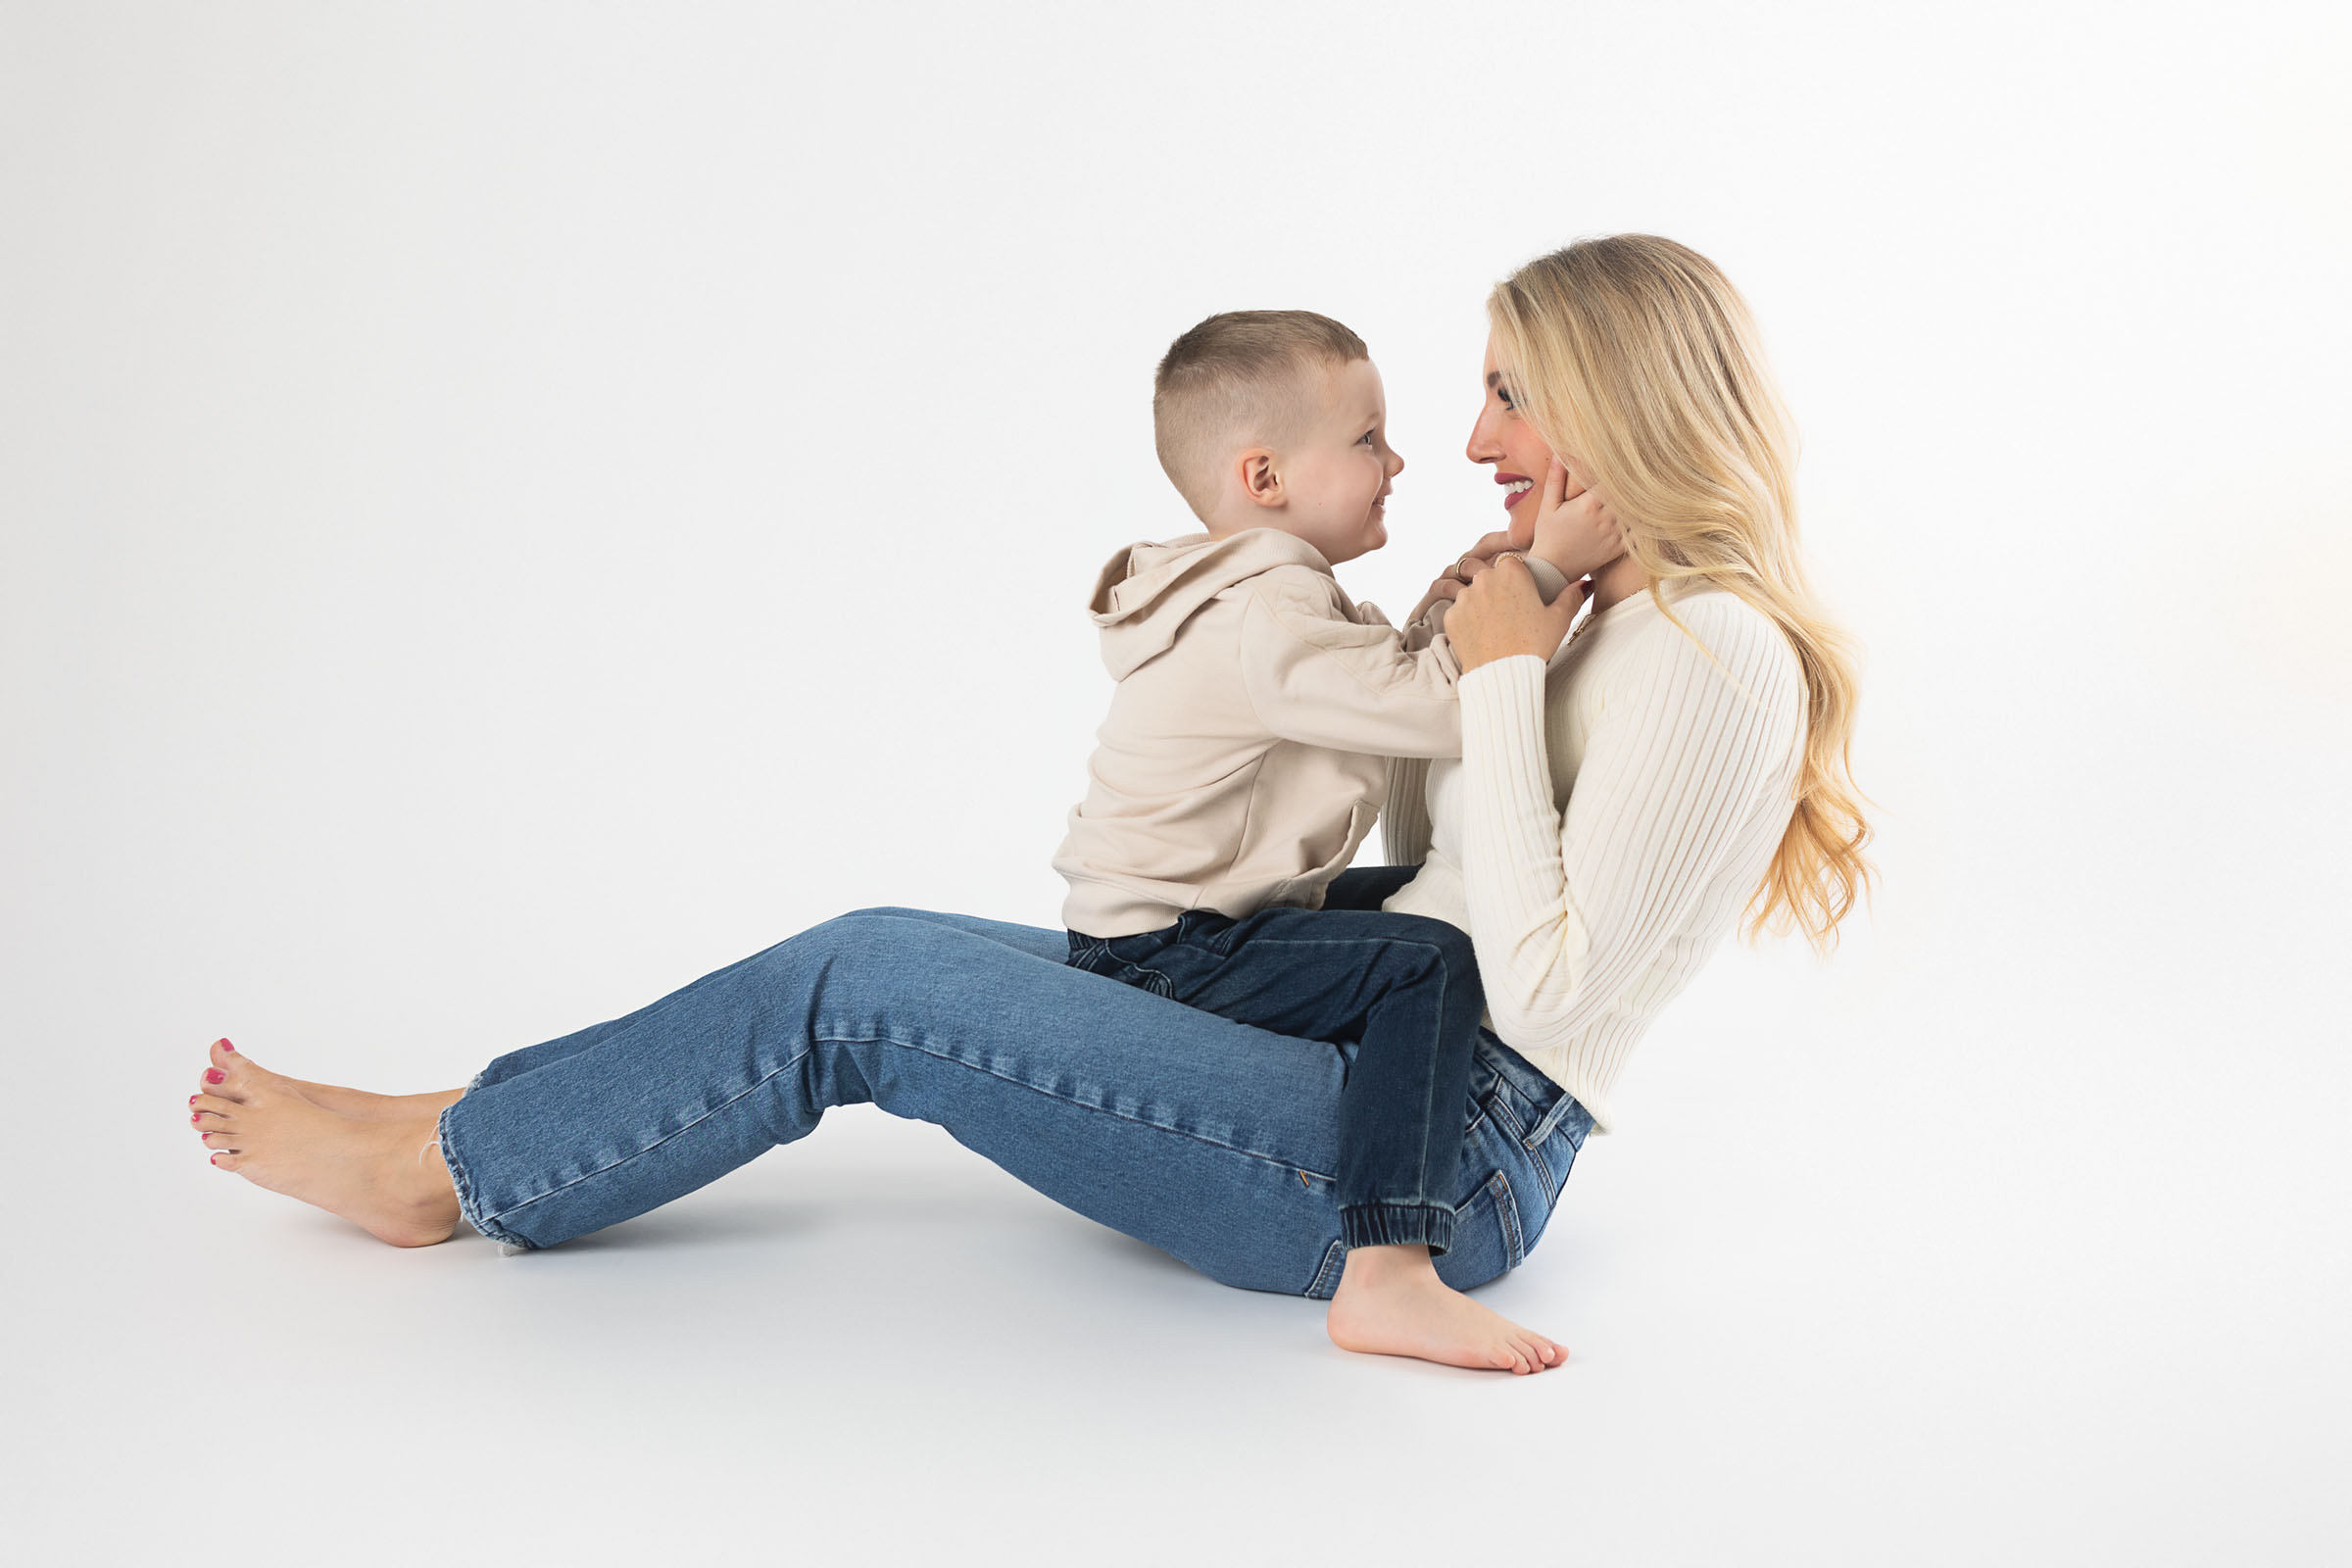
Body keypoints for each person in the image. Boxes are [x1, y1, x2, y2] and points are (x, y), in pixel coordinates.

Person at [184, 234, 1873, 1376]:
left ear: (1615, 404)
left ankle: (446, 1173)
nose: (1474, 435)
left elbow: (1549, 993)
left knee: (870, 977)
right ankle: (465, 1123)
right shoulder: (1612, 622)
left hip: (1448, 1160)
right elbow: (1439, 871)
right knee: (872, 952)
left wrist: (1501, 679)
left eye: (1510, 392)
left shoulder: (1721, 655)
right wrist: (1500, 631)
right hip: (1378, 1070)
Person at [1054, 308, 1608, 1371]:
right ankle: (1389, 1270)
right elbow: (1450, 710)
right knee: (1429, 962)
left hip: (1191, 926)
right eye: (1366, 440)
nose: (1398, 460)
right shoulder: (1266, 614)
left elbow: (1367, 697)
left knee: (1432, 892)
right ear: (1264, 478)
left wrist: (1444, 611)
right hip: (1171, 951)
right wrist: (1540, 570)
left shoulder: (1262, 597)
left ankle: (1390, 1102)